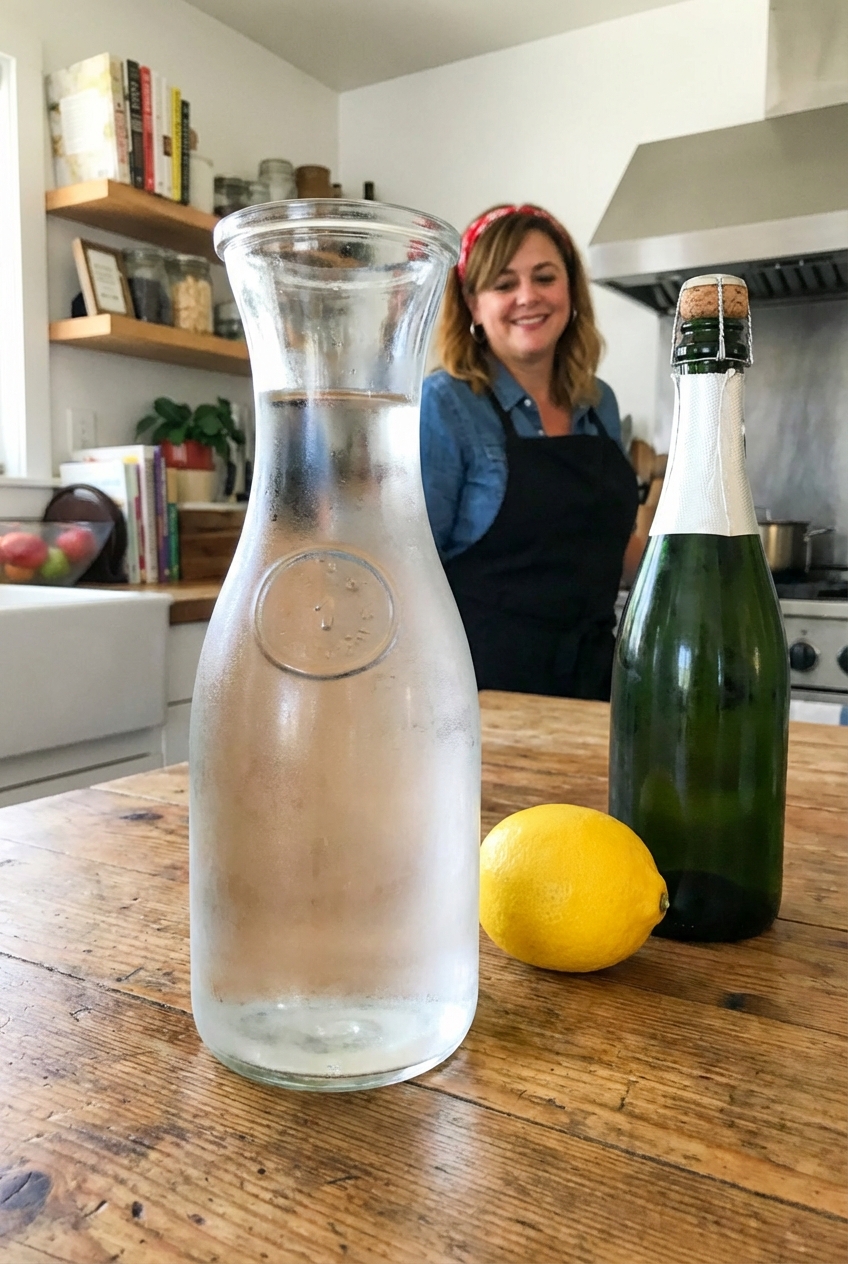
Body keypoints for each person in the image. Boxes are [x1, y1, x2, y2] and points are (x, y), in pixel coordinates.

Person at [420, 203, 642, 700]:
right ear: (473, 304)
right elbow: (409, 564)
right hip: (485, 699)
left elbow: (605, 544)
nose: (528, 297)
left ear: (571, 292)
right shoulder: (447, 403)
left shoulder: (598, 400)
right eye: (503, 284)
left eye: (545, 277)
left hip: (596, 689)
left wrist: (685, 570)